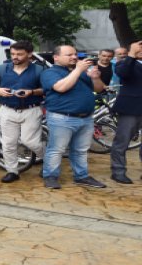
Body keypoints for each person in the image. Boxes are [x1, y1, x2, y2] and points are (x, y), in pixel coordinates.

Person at [40, 45, 107, 189]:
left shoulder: (81, 72)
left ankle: (81, 176)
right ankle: (50, 176)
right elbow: (61, 87)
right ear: (56, 57)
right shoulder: (50, 72)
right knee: (56, 149)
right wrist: (78, 70)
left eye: (75, 54)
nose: (74, 57)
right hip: (62, 118)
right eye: (69, 55)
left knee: (81, 150)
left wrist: (95, 78)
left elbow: (98, 89)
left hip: (86, 118)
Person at [0, 40, 45, 183]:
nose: (15, 57)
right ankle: (12, 171)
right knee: (8, 143)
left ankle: (50, 162)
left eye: (19, 54)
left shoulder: (39, 70)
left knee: (31, 142)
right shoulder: (1, 69)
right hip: (7, 110)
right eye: (12, 54)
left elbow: (47, 89)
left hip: (31, 110)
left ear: (29, 54)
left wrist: (32, 92)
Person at [109, 40, 142, 184]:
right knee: (122, 142)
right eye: (138, 49)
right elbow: (123, 73)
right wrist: (132, 55)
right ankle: (118, 172)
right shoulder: (124, 63)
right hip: (130, 109)